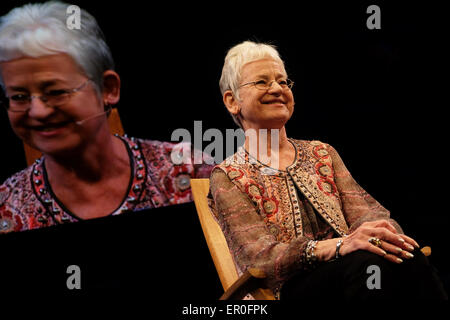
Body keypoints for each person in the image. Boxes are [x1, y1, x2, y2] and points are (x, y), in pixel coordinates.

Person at [208, 40, 447, 300]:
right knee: (369, 267)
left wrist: (382, 235)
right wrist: (338, 246)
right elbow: (261, 259)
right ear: (233, 101)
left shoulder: (322, 153)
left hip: (351, 271)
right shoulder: (229, 176)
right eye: (262, 82)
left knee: (407, 257)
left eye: (283, 82)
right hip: (289, 290)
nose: (277, 88)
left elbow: (367, 214)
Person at [0, 2, 212, 233]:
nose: (38, 111)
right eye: (19, 96)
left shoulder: (189, 172)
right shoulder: (6, 210)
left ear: (107, 89)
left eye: (56, 92)